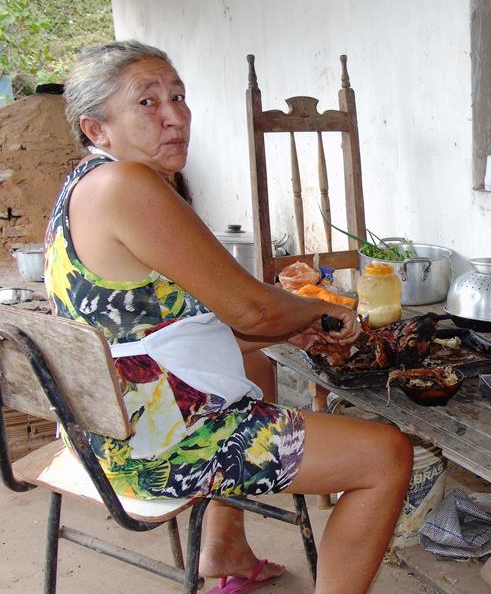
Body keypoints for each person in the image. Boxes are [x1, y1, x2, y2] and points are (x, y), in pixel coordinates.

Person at [45, 40, 413, 594]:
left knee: (258, 364)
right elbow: (250, 308)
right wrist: (321, 309)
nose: (175, 116)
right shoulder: (128, 185)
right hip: (150, 446)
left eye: (178, 96)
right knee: (386, 454)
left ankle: (223, 547)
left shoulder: (84, 183)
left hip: (96, 423)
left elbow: (172, 323)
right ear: (97, 129)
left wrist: (285, 323)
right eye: (147, 103)